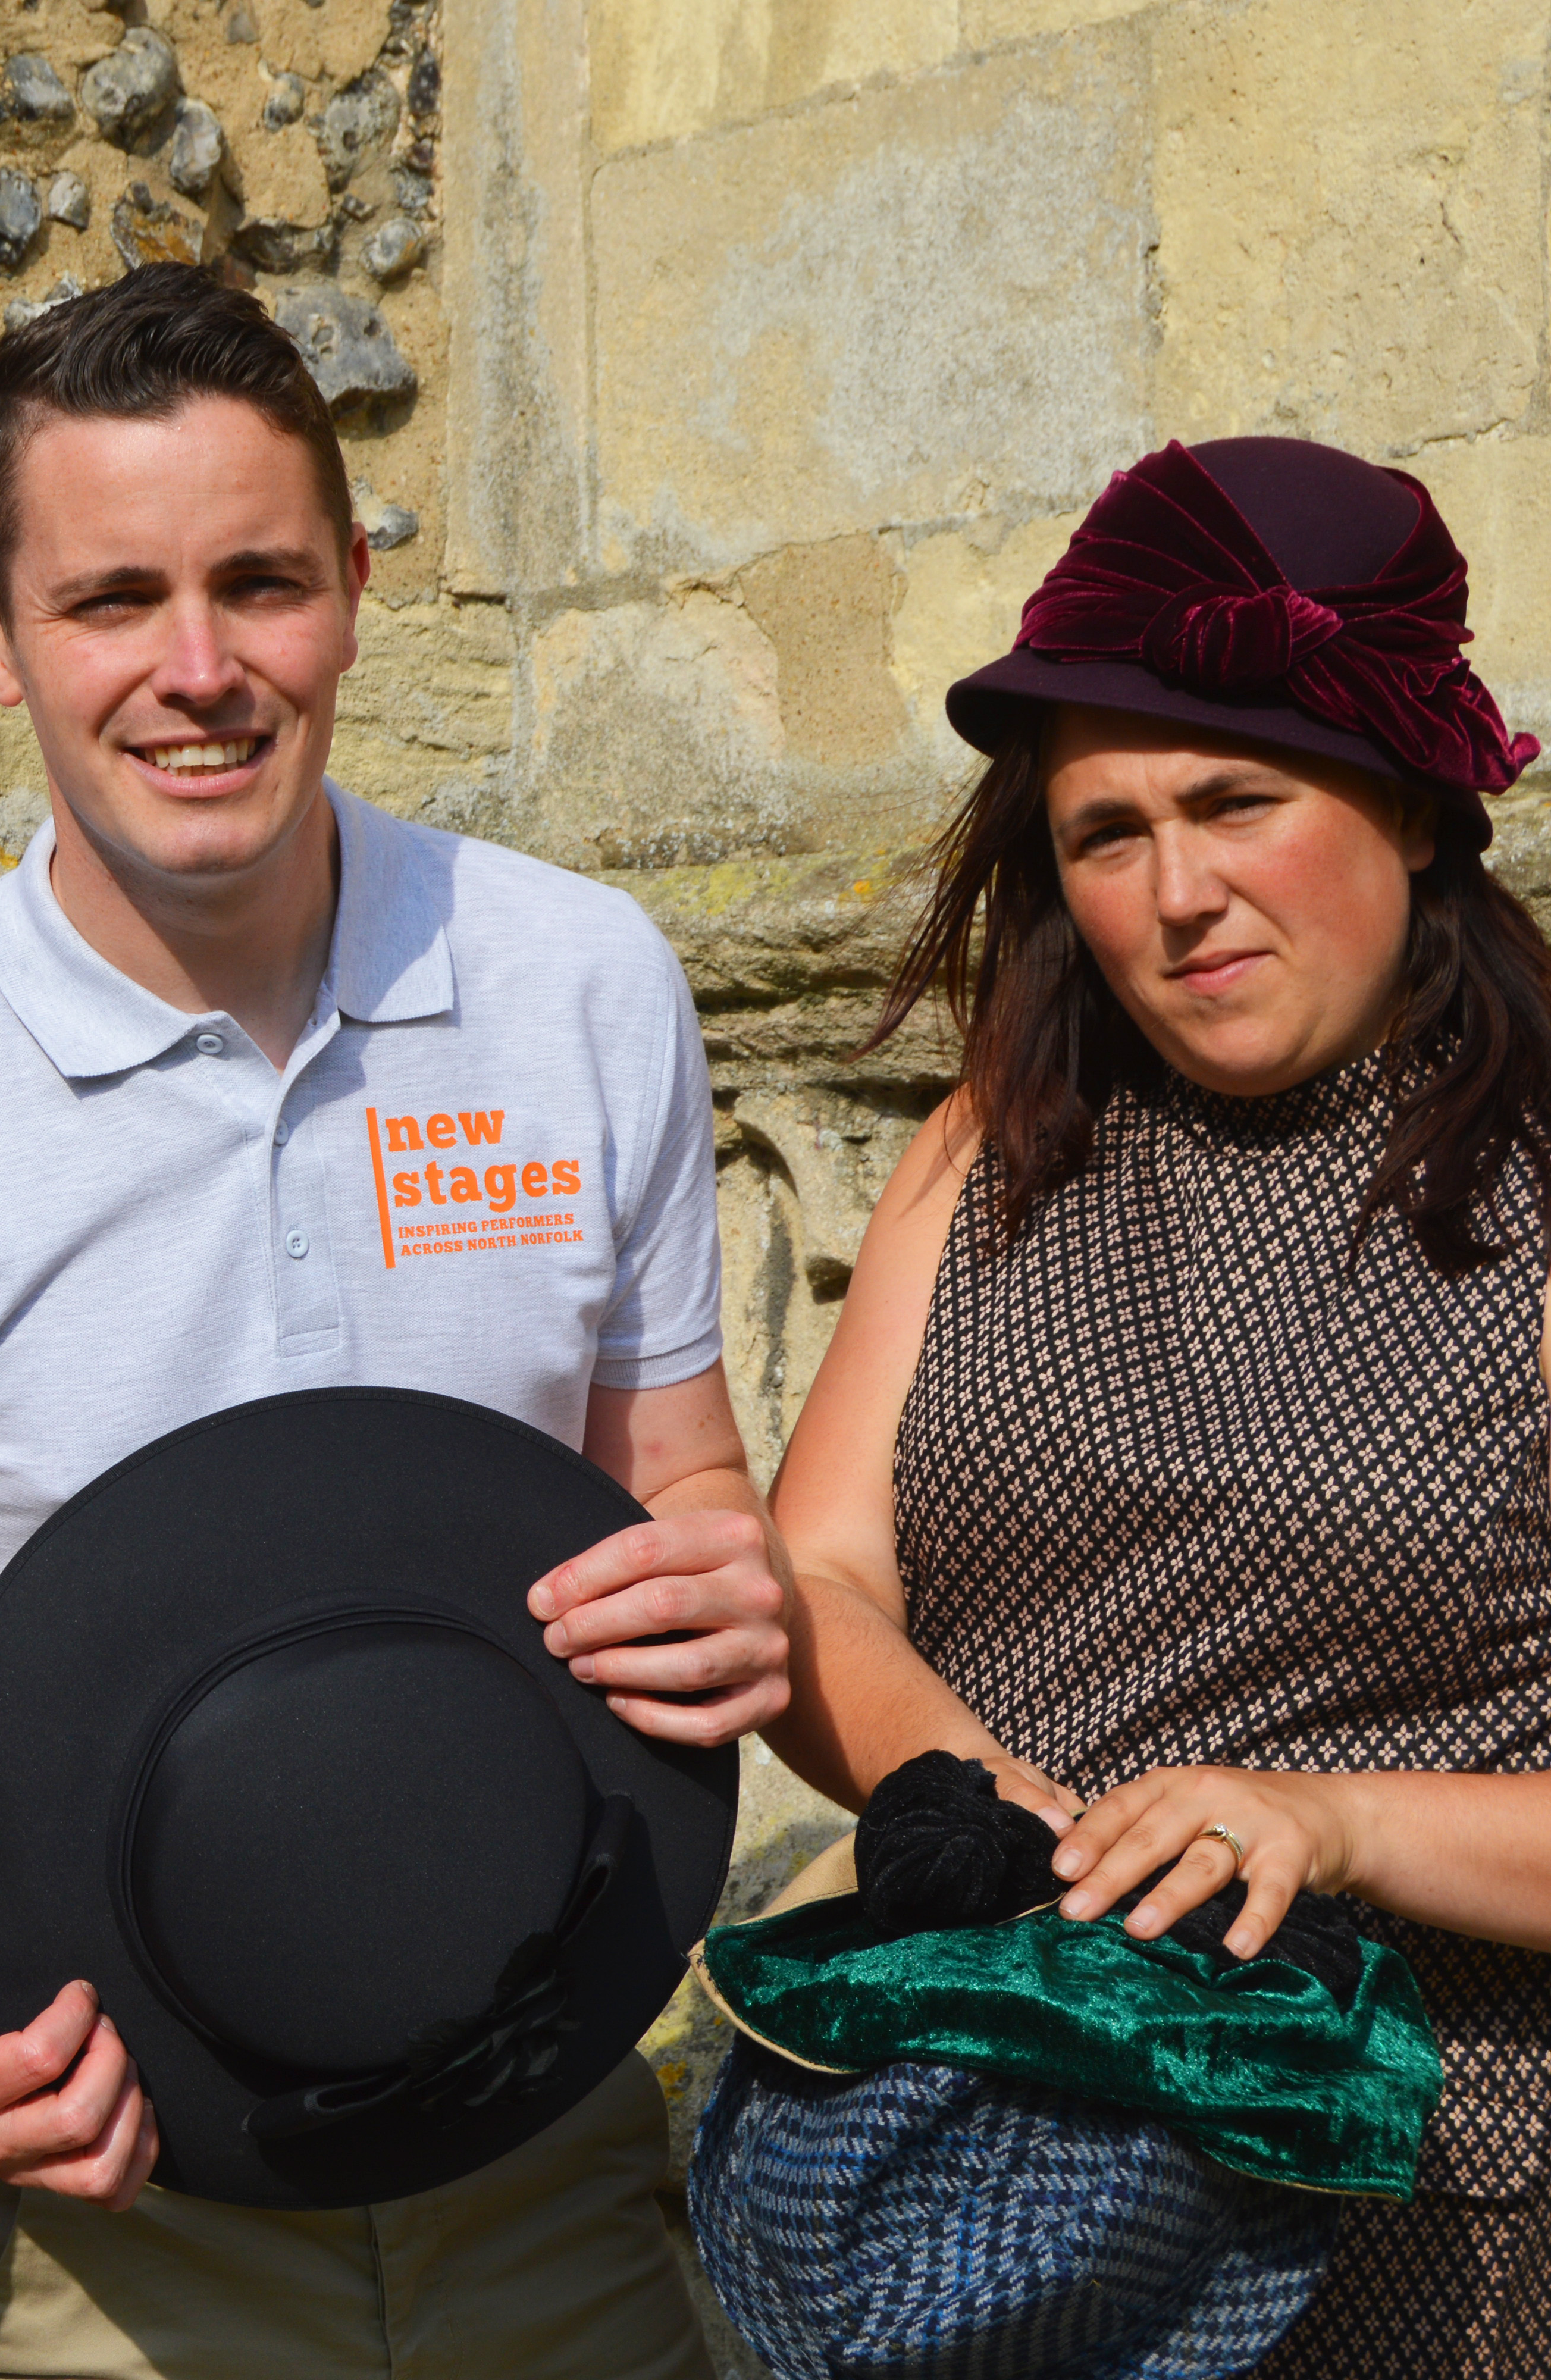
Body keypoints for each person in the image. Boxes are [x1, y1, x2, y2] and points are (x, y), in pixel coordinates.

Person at [0, 262, 792, 2380]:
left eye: (263, 583)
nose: (200, 672)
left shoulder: (582, 984)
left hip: (546, 2138)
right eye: (111, 602)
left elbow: (686, 1492)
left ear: (359, 590)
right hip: (105, 2222)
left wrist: (734, 1603)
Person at [767, 433, 1551, 2372]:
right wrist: (977, 1794)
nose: (1175, 892)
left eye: (1237, 801)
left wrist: (1329, 1825)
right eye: (1104, 833)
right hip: (997, 2207)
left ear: (1420, 810)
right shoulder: (994, 1145)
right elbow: (819, 1567)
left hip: (1424, 2221)